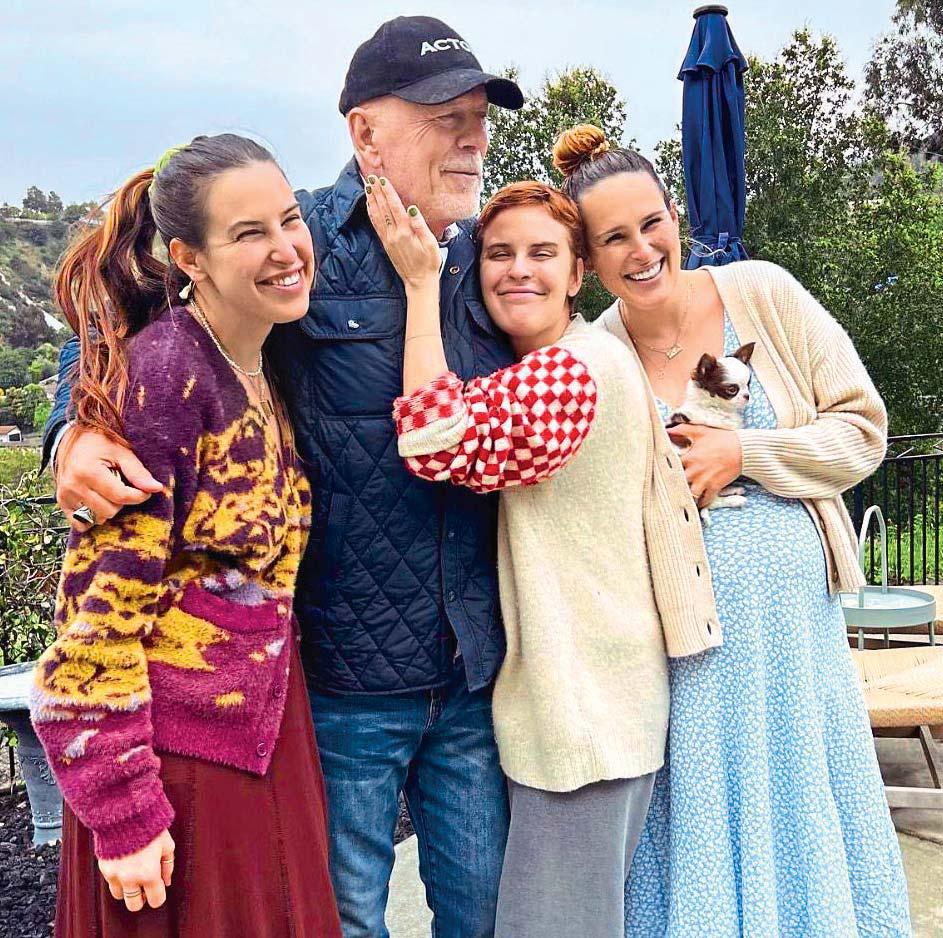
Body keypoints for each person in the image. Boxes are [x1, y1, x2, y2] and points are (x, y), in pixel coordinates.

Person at [42, 17, 524, 938]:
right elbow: (116, 338)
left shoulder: (485, 264)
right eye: (443, 117)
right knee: (341, 919)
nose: (472, 138)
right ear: (365, 132)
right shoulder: (296, 249)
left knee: (485, 916)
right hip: (341, 684)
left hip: (469, 671)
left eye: (478, 118)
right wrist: (73, 431)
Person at [551, 125, 912, 937]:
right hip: (680, 655)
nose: (641, 250)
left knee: (802, 807)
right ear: (588, 260)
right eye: (613, 238)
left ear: (674, 215)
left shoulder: (763, 293)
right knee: (698, 820)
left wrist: (745, 453)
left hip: (793, 642)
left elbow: (862, 432)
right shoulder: (594, 355)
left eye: (651, 223)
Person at [368, 174, 718, 938]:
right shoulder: (563, 363)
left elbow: (433, 440)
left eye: (541, 253)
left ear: (576, 273)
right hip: (591, 708)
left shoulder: (574, 370)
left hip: (582, 714)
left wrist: (421, 284)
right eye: (498, 253)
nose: (517, 270)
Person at [30, 135, 341, 937]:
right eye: (248, 233)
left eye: (289, 219)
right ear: (188, 258)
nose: (286, 249)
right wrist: (124, 813)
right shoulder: (166, 375)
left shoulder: (256, 359)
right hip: (174, 764)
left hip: (261, 732)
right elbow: (94, 621)